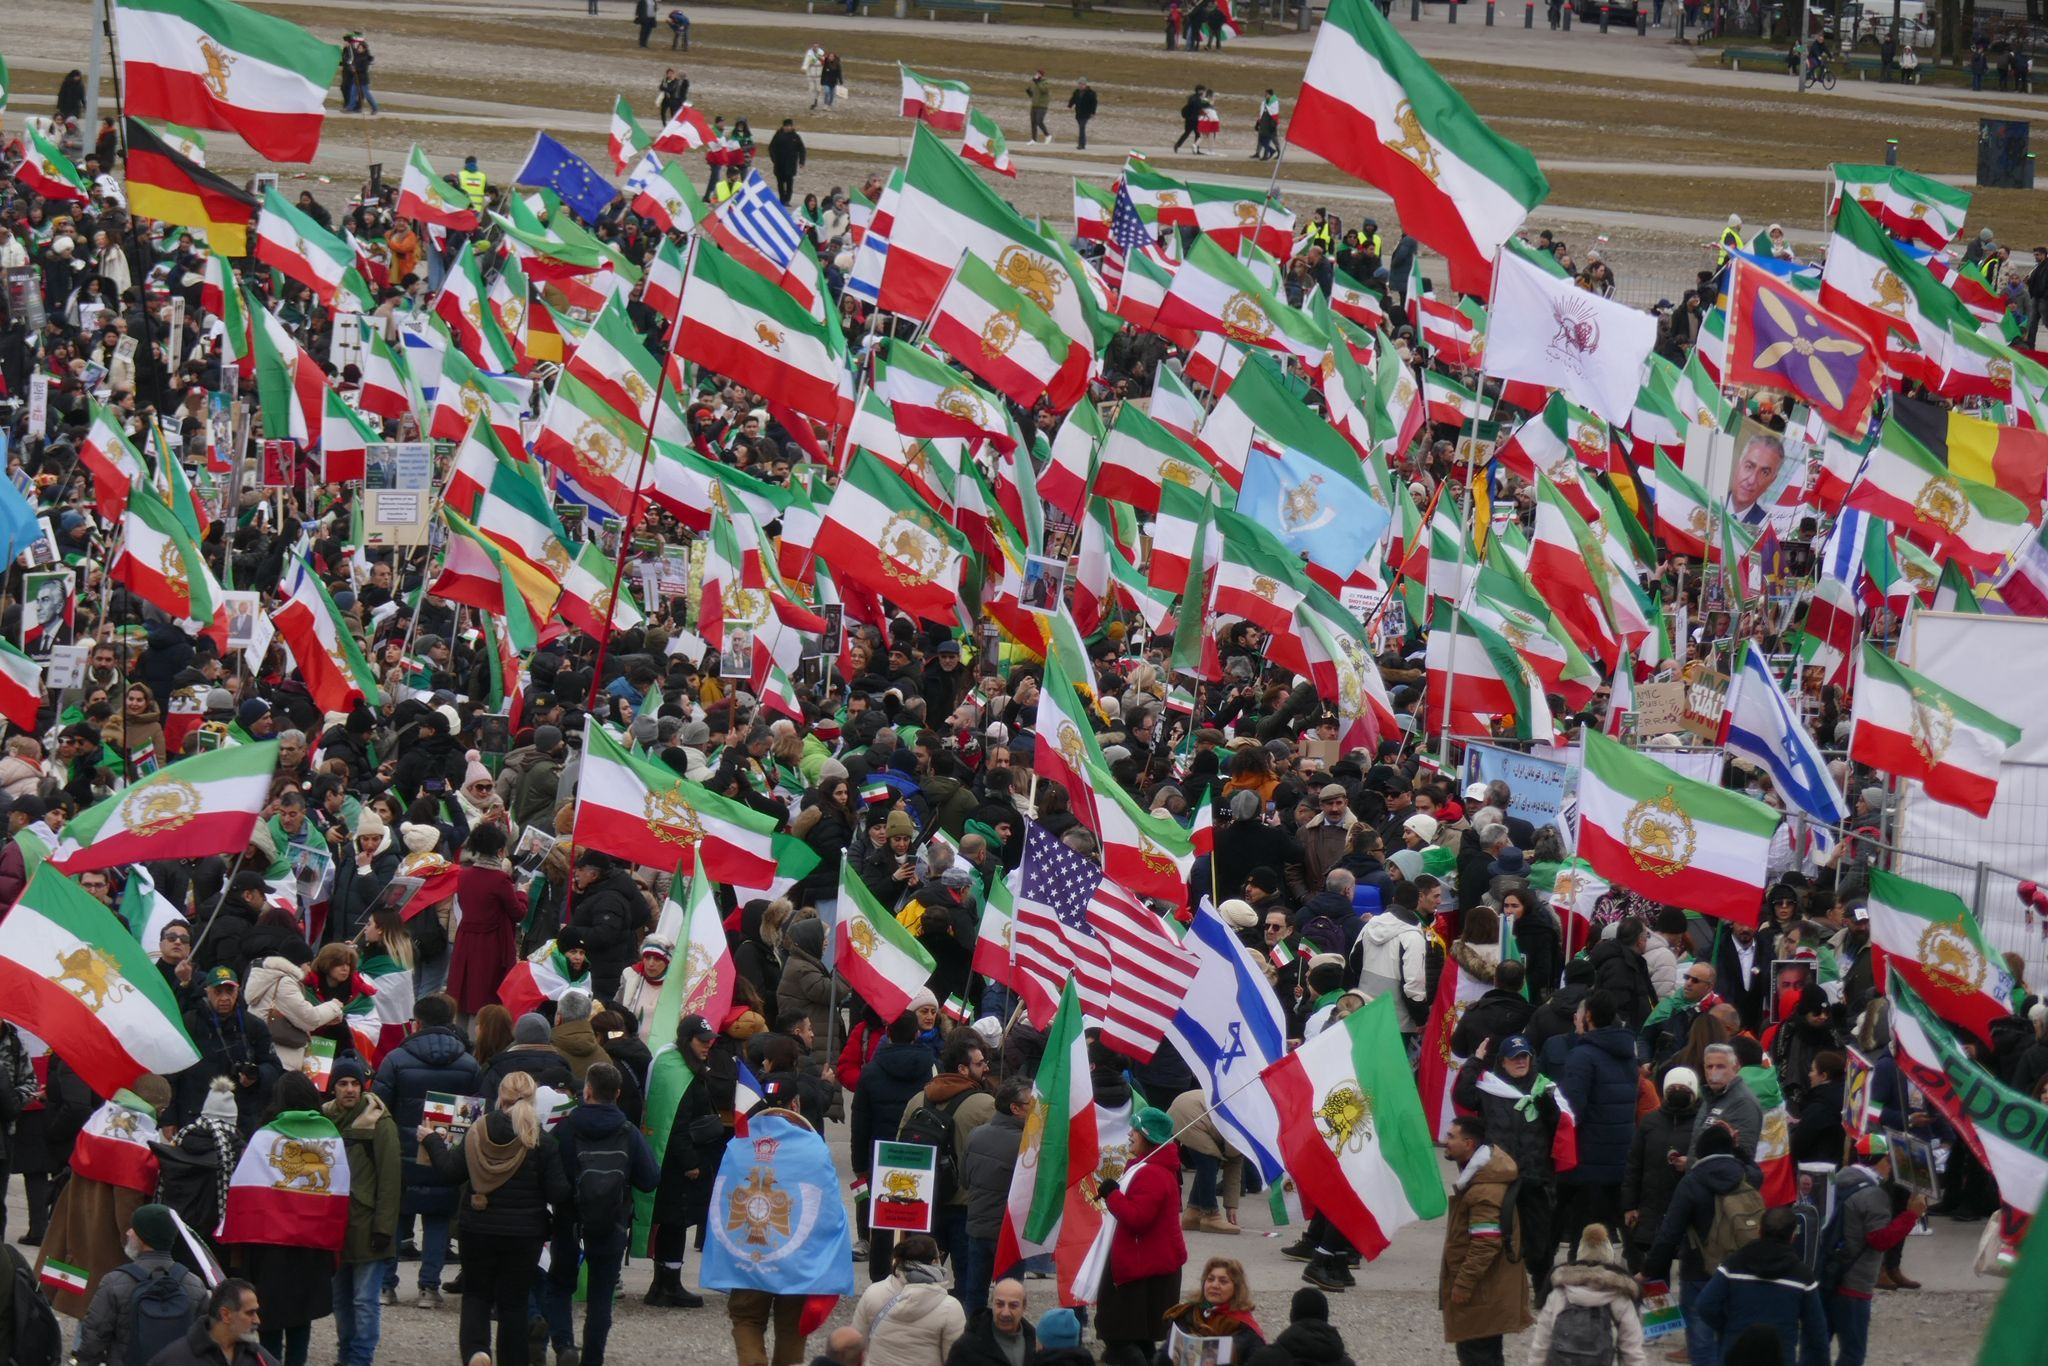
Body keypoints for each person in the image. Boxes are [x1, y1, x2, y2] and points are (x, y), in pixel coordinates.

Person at [420, 1071, 570, 1366]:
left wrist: (432, 1141)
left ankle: (477, 1352)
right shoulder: (540, 1139)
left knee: (476, 1295)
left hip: (477, 1227)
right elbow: (557, 1192)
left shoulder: (478, 1129)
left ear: (501, 1096)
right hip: (526, 1234)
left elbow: (451, 1172)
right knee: (513, 1304)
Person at [372, 991, 479, 1309]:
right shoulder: (468, 1064)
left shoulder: (395, 1060)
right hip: (445, 1155)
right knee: (437, 1220)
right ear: (449, 1022)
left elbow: (379, 1109)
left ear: (416, 1023)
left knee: (394, 1218)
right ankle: (428, 1289)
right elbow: (473, 1118)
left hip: (399, 1157)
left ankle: (385, 1286)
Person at [554, 1062, 660, 1366]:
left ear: (586, 1091)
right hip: (613, 1220)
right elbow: (650, 1178)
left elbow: (554, 1176)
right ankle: (593, 1358)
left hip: (570, 1219)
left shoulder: (567, 1127)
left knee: (560, 1285)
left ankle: (564, 1346)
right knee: (602, 1294)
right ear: (617, 1093)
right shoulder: (627, 1131)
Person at [1642, 1122, 1762, 1366]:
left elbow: (1669, 1234)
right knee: (1732, 1340)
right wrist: (1737, 1149)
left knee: (1701, 1343)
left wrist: (1648, 1271)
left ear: (1702, 1150)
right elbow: (1756, 1169)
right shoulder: (1747, 1176)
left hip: (1699, 1271)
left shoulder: (1692, 1181)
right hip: (1739, 1269)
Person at [322, 1056, 400, 1366]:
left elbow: (390, 1178)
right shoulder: (323, 1120)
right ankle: (345, 1356)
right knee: (340, 1301)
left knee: (365, 1302)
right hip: (335, 1226)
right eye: (343, 1083)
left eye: (355, 1083)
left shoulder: (379, 1121)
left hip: (368, 1225)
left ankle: (360, 1360)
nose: (350, 1089)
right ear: (333, 1088)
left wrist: (384, 1227)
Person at [1094, 1106, 1184, 1365]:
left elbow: (1137, 1218)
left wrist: (1112, 1194)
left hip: (1141, 1269)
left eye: (1135, 1129)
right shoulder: (1149, 1166)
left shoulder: (1152, 1172)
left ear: (1148, 1136)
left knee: (1120, 1339)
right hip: (1148, 1264)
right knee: (1139, 1338)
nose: (1130, 1133)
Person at [1438, 1114, 1530, 1366]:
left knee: (1478, 1355)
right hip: (1487, 1290)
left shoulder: (1484, 1190)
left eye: (1451, 1137)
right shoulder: (1481, 1179)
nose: (1445, 1141)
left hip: (1482, 1293)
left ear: (1469, 1144)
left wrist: (1463, 1284)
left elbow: (1486, 1243)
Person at [1827, 1133, 1926, 1366]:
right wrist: (1912, 1215)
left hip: (1830, 1276)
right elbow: (1879, 1240)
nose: (1892, 1167)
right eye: (1889, 1160)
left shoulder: (1838, 1179)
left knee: (1819, 1347)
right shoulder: (1874, 1195)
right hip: (1854, 1284)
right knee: (1852, 1353)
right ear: (1880, 1161)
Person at [647, 1013, 723, 1309]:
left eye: (710, 1041)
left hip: (673, 1159)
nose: (708, 1046)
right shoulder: (680, 1073)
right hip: (679, 1163)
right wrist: (691, 1162)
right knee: (675, 1223)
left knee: (671, 1223)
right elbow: (676, 1123)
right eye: (702, 1041)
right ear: (686, 1040)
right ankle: (669, 1286)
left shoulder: (678, 1066)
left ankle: (661, 1285)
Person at [71, 1203, 208, 1366]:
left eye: (133, 1229)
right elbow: (204, 1341)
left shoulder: (114, 1281)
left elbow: (93, 1338)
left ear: (144, 1238)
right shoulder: (195, 1285)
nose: (129, 1232)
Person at [1694, 1206, 1829, 1366]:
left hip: (1735, 1354)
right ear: (1792, 1237)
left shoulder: (1734, 1264)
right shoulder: (1802, 1276)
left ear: (1759, 1230)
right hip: (1781, 1357)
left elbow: (1705, 1305)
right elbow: (1817, 1332)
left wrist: (1728, 1329)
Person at [1525, 1223, 1646, 1366]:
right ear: (1610, 1256)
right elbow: (1632, 1352)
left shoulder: (1560, 1293)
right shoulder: (1619, 1297)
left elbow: (1541, 1344)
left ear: (1579, 1256)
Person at [960, 1079, 1028, 1311]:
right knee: (1009, 1297)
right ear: (1015, 1108)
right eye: (1032, 1104)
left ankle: (973, 1338)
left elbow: (964, 1180)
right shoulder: (1026, 1145)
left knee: (975, 1293)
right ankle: (1004, 1341)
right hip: (1008, 1232)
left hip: (977, 1227)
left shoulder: (976, 1134)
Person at [851, 1233, 965, 1364]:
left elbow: (855, 1344)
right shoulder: (950, 1307)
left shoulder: (874, 1292)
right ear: (935, 1261)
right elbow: (955, 1359)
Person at [1161, 1257, 1264, 1359]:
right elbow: (1165, 1352)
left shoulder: (1245, 1327)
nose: (1215, 1285)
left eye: (1223, 1281)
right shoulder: (1188, 1313)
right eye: (1210, 1279)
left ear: (1236, 1289)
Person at [151, 1279, 270, 1366]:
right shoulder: (175, 1359)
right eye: (250, 1313)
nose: (257, 1320)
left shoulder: (258, 1356)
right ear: (226, 1315)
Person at [945, 1275, 1033, 1365]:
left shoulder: (1037, 1345)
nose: (1005, 1313)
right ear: (992, 1305)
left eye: (1013, 1305)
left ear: (1024, 1307)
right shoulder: (966, 1348)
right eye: (1000, 1304)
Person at [1728, 433, 1785, 526]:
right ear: (1739, 464)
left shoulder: (1765, 529)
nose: (1751, 480)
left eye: (1764, 473)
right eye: (1749, 467)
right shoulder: (1708, 501)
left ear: (1772, 481)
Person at [768, 119, 806, 204]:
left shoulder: (795, 137)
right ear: (783, 126)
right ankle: (782, 199)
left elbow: (802, 149)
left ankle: (787, 200)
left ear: (792, 127)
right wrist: (774, 159)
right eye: (786, 126)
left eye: (790, 126)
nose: (788, 128)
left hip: (790, 165)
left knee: (789, 183)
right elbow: (771, 148)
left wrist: (801, 161)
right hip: (779, 164)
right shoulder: (778, 135)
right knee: (780, 183)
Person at [1066, 77, 1096, 151]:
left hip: (1086, 113)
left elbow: (1094, 103)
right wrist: (1069, 106)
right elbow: (1073, 99)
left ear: (1085, 84)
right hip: (1078, 113)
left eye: (1082, 84)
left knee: (1082, 128)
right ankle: (1082, 143)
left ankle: (1081, 144)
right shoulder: (1076, 92)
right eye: (1079, 84)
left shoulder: (1091, 93)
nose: (1080, 85)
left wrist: (1092, 112)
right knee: (1081, 127)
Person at [1025, 70, 1052, 143]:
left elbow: (1044, 90)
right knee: (1033, 122)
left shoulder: (1045, 82)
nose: (1037, 75)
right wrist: (1029, 92)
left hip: (1042, 106)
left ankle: (1047, 135)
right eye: (1036, 73)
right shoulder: (1035, 83)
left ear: (1042, 75)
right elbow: (1033, 95)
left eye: (1038, 74)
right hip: (1034, 105)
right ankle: (1034, 139)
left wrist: (1037, 82)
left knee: (1039, 121)